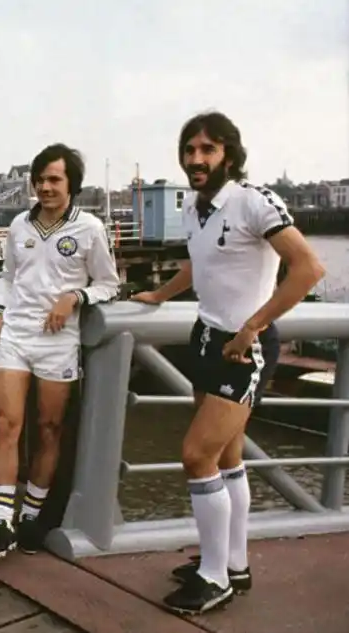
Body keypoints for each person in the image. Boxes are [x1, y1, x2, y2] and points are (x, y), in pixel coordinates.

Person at [132, 112, 324, 615]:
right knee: (226, 458)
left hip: (244, 349)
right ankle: (231, 563)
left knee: (196, 455)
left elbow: (307, 268)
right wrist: (159, 292)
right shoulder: (198, 209)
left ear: (229, 156)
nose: (196, 159)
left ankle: (213, 578)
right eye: (189, 150)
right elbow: (199, 264)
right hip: (206, 338)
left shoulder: (253, 201)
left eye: (207, 150)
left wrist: (254, 325)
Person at [0, 144, 120, 558]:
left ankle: (32, 515)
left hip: (59, 342)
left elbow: (109, 285)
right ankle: (0, 522)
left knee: (49, 429)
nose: (45, 187)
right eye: (39, 180)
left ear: (71, 185)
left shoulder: (90, 229)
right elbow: (7, 276)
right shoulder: (18, 226)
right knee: (7, 424)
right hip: (16, 337)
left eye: (54, 180)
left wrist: (75, 297)